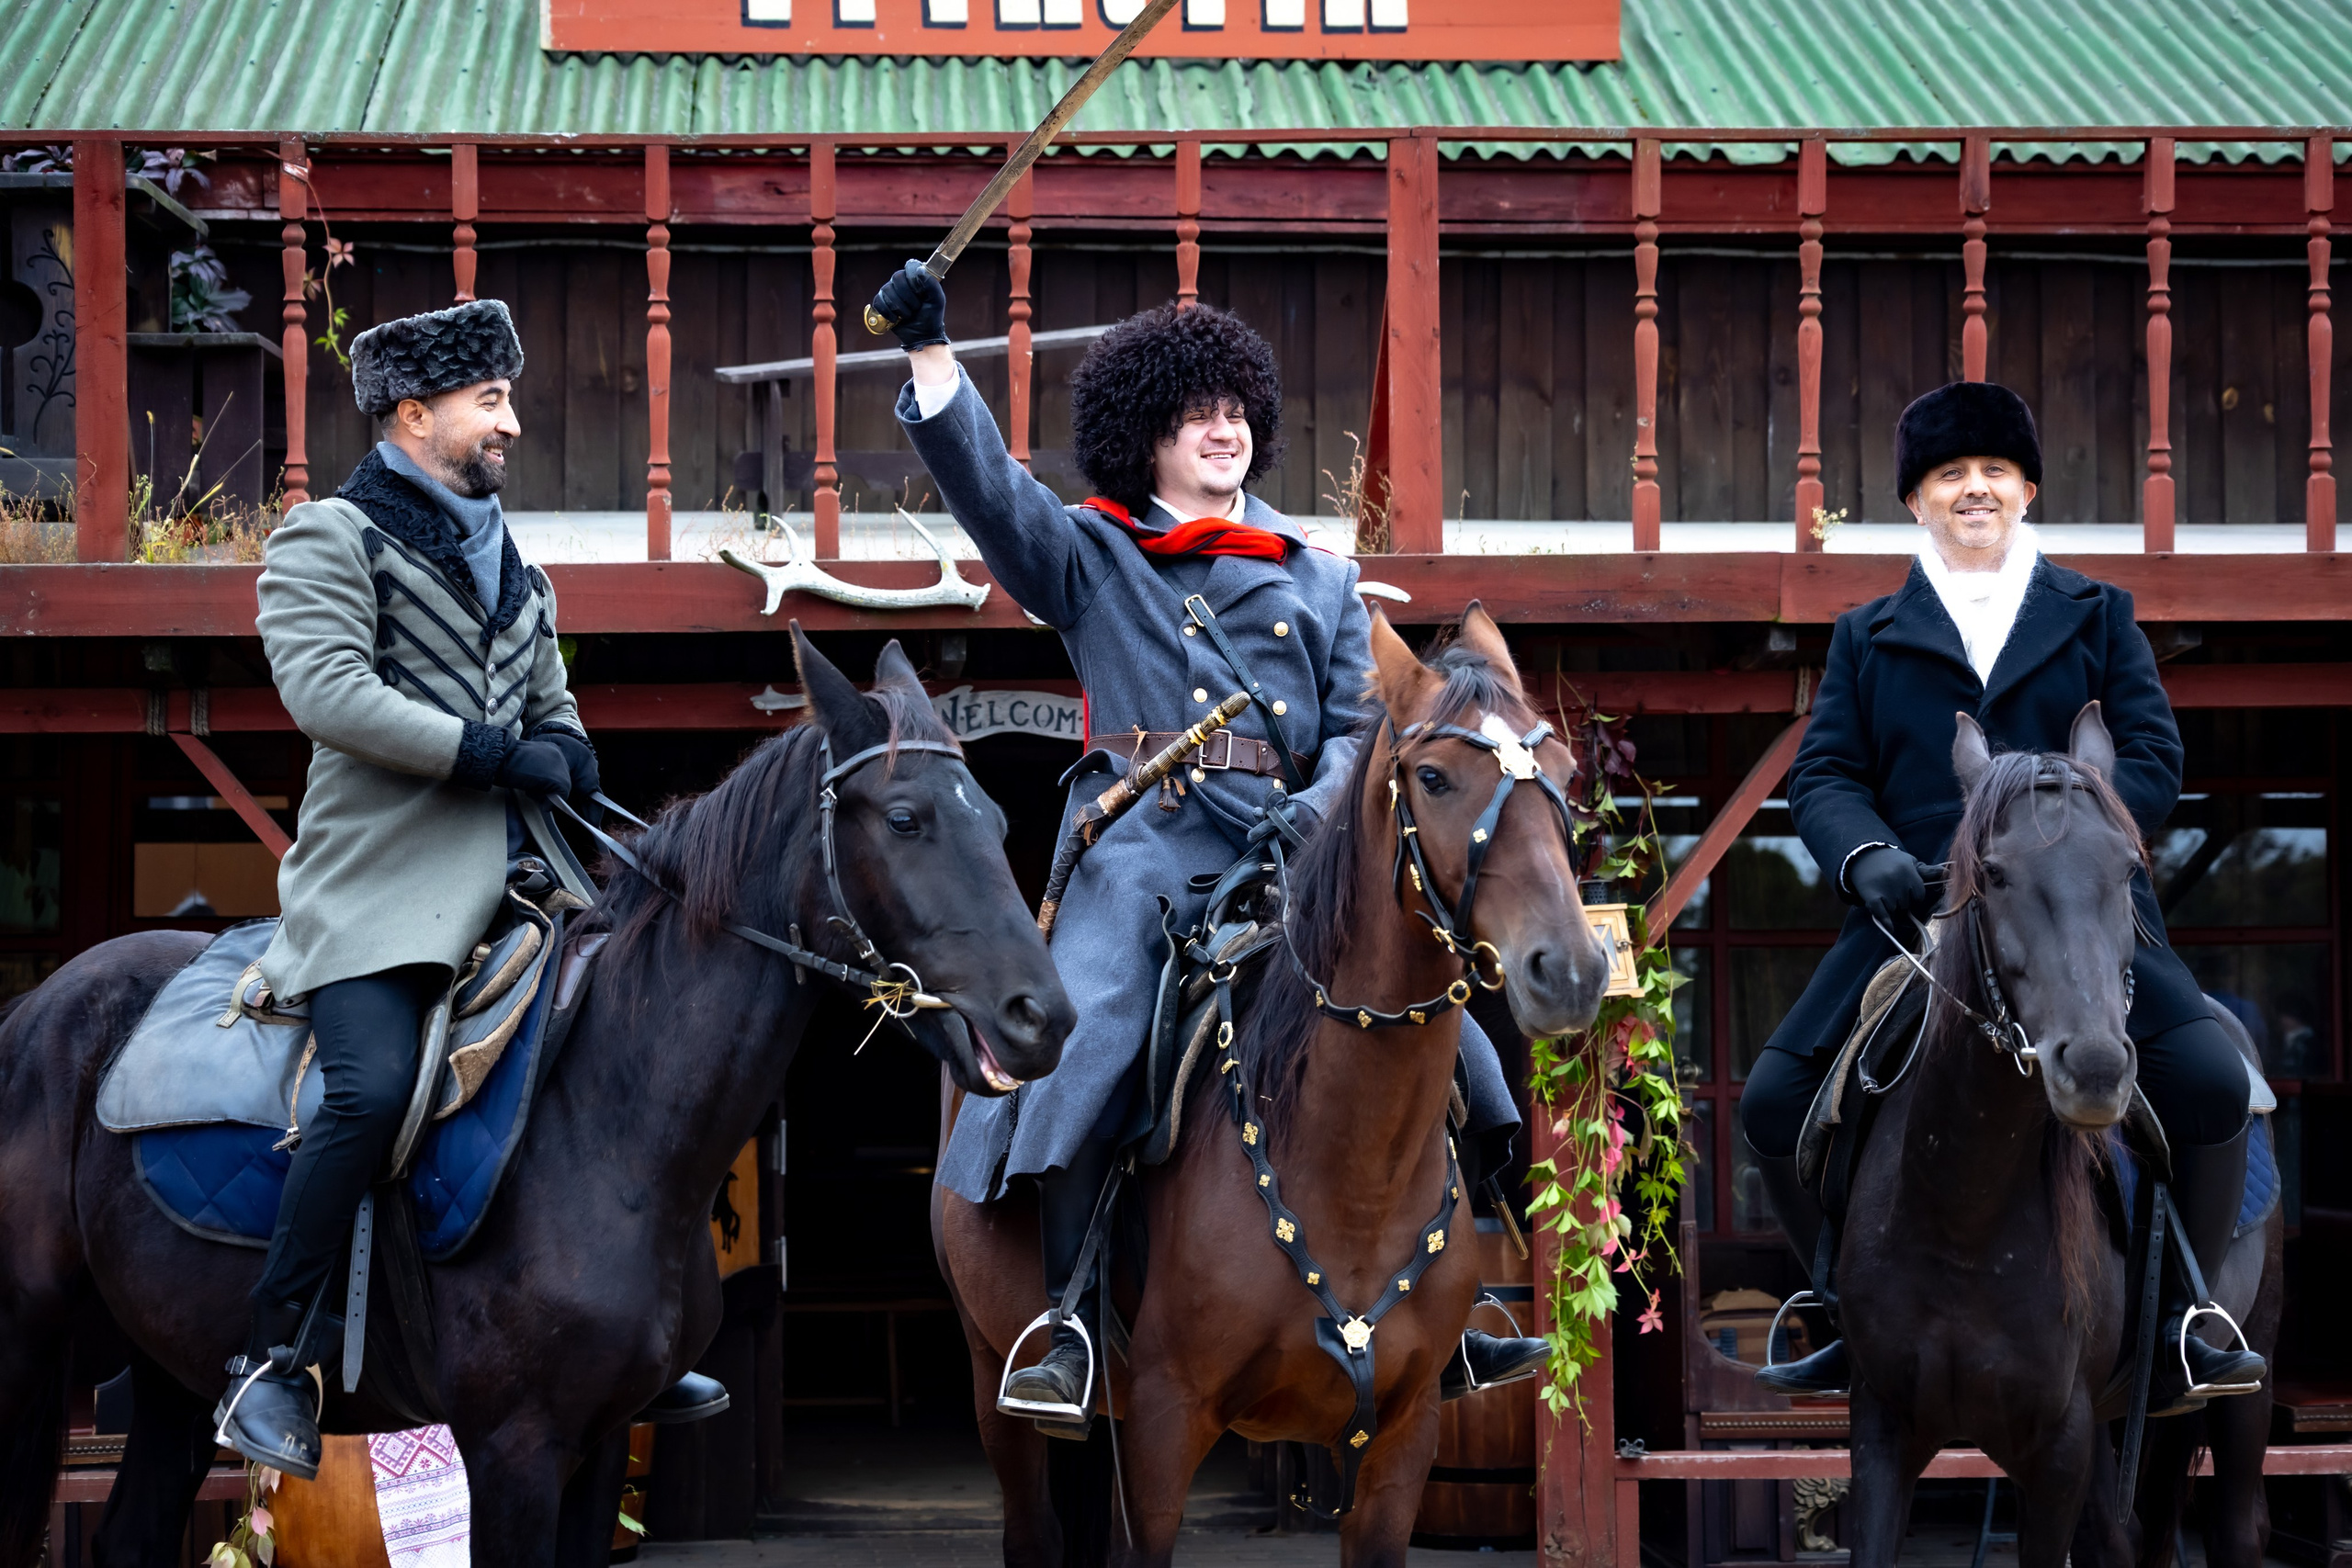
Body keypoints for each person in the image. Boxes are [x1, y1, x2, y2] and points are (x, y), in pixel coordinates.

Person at [869, 261, 1547, 1425]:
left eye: (1235, 411)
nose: (1222, 430)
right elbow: (994, 497)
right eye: (1195, 414)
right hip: (1142, 849)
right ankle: (1068, 1320)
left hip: (1295, 854)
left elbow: (1360, 730)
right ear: (1147, 436)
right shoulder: (1091, 555)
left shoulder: (1321, 575)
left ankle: (1463, 1303)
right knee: (1094, 1030)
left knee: (1454, 1036)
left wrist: (1318, 812)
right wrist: (934, 359)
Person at [215, 300, 725, 1478]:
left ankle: (632, 1335)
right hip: (382, 887)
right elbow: (328, 693)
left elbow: (551, 704)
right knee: (367, 1094)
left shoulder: (515, 564)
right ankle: (275, 1358)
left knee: (643, 1059)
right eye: (490, 401)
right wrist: (489, 752)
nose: (511, 422)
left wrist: (569, 751)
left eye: (508, 398)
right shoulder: (328, 537)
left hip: (529, 877)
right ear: (414, 414)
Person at [1737, 379, 2266, 1415]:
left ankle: (2184, 1322)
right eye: (1949, 474)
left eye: (1993, 471)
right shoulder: (1866, 634)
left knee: (2210, 1082)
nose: (1973, 488)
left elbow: (2153, 754)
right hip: (1918, 921)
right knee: (1771, 1103)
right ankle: (1841, 1313)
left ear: (2027, 490)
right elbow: (1826, 773)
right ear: (1916, 501)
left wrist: (2071, 835)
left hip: (2079, 914)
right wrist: (1865, 854)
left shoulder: (2098, 613)